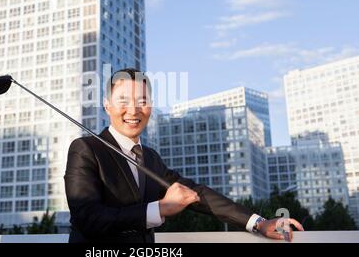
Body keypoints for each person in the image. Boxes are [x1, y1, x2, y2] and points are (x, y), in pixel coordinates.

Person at [64, 68, 304, 243]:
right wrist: (159, 209)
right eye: (123, 101)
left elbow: (196, 194)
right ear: (107, 105)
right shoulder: (85, 149)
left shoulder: (151, 157)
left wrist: (259, 223)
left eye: (142, 101)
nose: (134, 110)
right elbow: (88, 218)